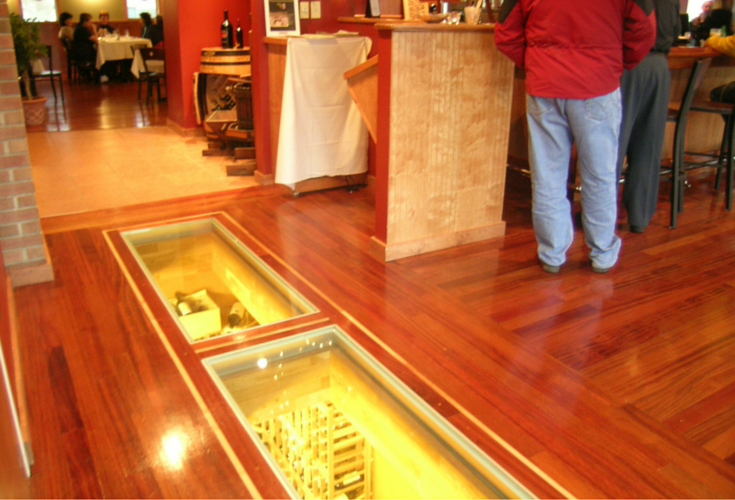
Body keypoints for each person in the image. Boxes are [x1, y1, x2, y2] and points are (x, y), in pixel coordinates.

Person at [494, 0, 655, 274]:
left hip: (545, 86)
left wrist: (538, 63)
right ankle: (602, 253)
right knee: (600, 175)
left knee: (547, 176)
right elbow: (644, 31)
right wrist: (614, 63)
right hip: (598, 83)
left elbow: (505, 34)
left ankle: (552, 254)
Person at [617, 0, 680, 234]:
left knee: (614, 143)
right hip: (659, 67)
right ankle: (640, 216)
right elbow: (675, 31)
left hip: (628, 63)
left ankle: (598, 214)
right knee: (648, 144)